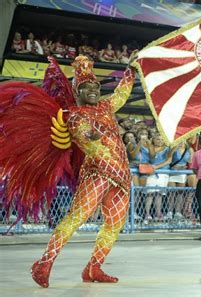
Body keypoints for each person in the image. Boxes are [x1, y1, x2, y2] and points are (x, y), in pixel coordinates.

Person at [0, 54, 137, 288]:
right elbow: (83, 134)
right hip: (97, 173)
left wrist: (131, 70)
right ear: (77, 92)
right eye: (86, 87)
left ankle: (94, 267)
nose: (93, 89)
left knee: (114, 224)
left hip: (122, 177)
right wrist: (89, 134)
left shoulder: (106, 107)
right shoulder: (73, 114)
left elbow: (122, 93)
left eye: (95, 86)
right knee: (75, 218)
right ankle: (44, 263)